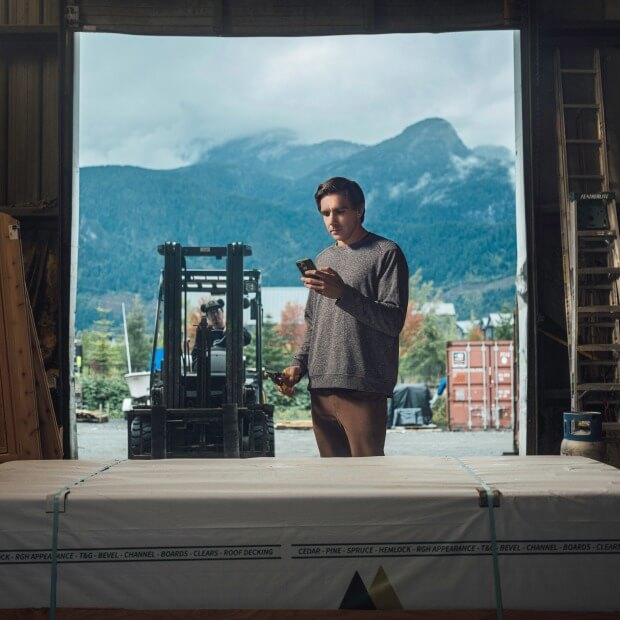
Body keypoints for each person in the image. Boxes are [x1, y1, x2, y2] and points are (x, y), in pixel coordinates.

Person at [279, 176, 409, 457]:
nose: (331, 220)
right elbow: (315, 324)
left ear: (359, 210)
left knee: (368, 483)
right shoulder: (323, 259)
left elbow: (393, 321)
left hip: (363, 387)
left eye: (340, 211)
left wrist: (343, 294)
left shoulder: (386, 253)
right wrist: (298, 365)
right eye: (325, 213)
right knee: (334, 485)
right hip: (321, 387)